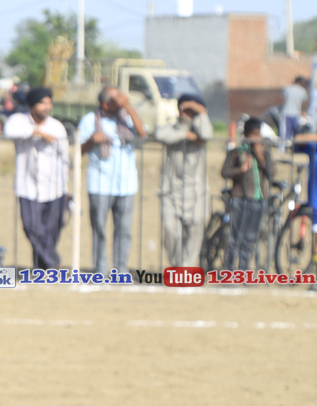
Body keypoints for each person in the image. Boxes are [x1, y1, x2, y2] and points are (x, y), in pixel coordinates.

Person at [77, 86, 146, 275]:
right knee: (99, 228)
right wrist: (91, 140)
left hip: (127, 184)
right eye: (117, 98)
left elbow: (142, 134)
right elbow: (78, 150)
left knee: (124, 229)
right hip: (100, 183)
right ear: (105, 103)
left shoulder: (127, 118)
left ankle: (120, 270)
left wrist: (128, 107)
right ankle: (100, 269)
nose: (122, 100)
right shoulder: (90, 120)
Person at [3, 87, 70, 269]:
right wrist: (37, 132)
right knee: (31, 227)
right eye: (43, 103)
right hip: (27, 186)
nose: (47, 106)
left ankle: (43, 270)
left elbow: (65, 157)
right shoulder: (19, 121)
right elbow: (8, 131)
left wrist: (66, 186)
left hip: (55, 187)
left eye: (49, 102)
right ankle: (53, 260)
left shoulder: (57, 126)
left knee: (51, 231)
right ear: (32, 105)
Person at [156, 93, 213, 267]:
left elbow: (207, 134)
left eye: (190, 110)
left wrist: (201, 113)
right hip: (170, 191)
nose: (185, 113)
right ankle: (177, 265)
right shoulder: (173, 129)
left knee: (195, 232)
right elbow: (160, 135)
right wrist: (185, 134)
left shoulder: (201, 130)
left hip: (197, 193)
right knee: (170, 231)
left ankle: (186, 269)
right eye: (183, 108)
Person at [220, 117, 274, 270]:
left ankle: (243, 272)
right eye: (254, 135)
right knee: (235, 238)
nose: (257, 138)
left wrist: (260, 156)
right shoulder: (236, 152)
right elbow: (224, 172)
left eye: (259, 135)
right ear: (246, 135)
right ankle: (229, 271)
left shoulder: (264, 151)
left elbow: (272, 173)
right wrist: (241, 170)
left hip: (259, 200)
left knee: (250, 239)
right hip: (240, 198)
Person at [281, 76, 309, 143]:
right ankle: (295, 147)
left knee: (284, 134)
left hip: (286, 113)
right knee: (295, 134)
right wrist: (303, 112)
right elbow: (303, 103)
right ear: (302, 82)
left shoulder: (287, 88)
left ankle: (282, 147)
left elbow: (282, 99)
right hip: (296, 114)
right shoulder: (302, 91)